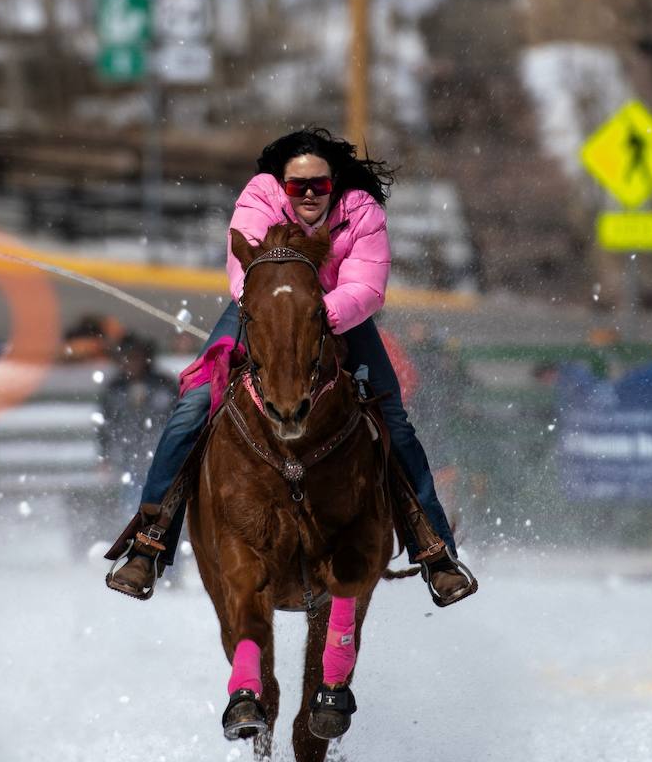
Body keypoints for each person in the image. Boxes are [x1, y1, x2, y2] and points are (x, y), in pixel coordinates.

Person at [106, 128, 476, 605]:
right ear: (280, 185)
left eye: (318, 185)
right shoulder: (257, 197)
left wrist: (317, 319)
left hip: (338, 317)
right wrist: (282, 317)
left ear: (334, 184)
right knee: (195, 403)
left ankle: (434, 550)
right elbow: (242, 274)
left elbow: (368, 287)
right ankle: (150, 541)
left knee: (392, 420)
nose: (306, 194)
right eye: (296, 185)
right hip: (264, 312)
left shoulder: (361, 211)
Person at [99, 334, 179, 517]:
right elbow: (106, 424)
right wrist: (105, 455)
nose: (132, 363)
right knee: (132, 501)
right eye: (127, 358)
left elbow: (175, 418)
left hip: (159, 454)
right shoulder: (115, 388)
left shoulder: (163, 384)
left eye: (136, 357)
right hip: (128, 457)